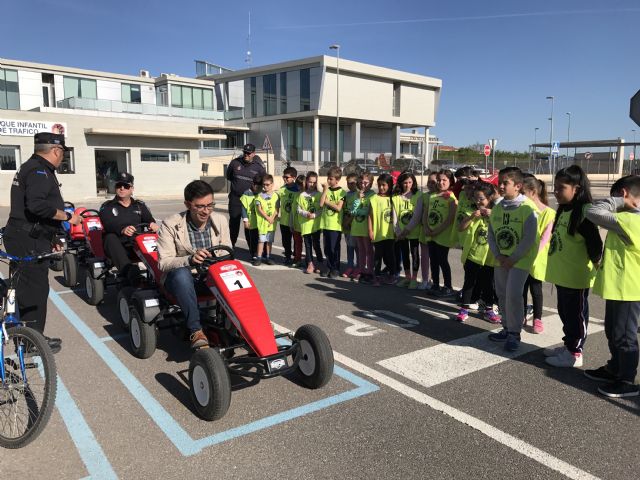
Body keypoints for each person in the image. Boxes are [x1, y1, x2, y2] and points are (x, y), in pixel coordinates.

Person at [3, 132, 82, 353]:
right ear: (56, 151)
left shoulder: (32, 167)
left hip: (30, 236)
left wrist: (53, 236)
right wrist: (68, 217)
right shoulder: (39, 171)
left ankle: (29, 336)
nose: (62, 158)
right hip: (27, 239)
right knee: (35, 290)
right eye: (62, 153)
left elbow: (36, 212)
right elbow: (36, 206)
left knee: (28, 288)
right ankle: (30, 342)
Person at [584, 175, 640, 398]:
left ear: (624, 194)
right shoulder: (628, 219)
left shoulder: (633, 220)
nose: (611, 202)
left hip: (629, 289)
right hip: (619, 287)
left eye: (614, 197)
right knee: (613, 331)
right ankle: (615, 368)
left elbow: (593, 211)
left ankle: (627, 380)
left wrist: (619, 202)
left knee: (625, 336)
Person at [157, 180, 231, 349]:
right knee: (182, 275)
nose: (206, 211)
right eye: (200, 206)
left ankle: (249, 321)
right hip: (179, 280)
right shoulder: (171, 224)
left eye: (210, 205)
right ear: (187, 204)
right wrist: (189, 259)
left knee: (238, 273)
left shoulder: (220, 220)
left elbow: (228, 252)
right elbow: (163, 263)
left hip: (210, 277)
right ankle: (196, 330)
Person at [544, 165, 602, 367]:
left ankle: (575, 353)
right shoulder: (564, 209)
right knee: (565, 313)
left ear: (576, 189)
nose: (556, 192)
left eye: (561, 188)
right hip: (562, 274)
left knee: (576, 315)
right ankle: (569, 344)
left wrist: (598, 266)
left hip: (576, 277)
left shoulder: (584, 212)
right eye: (555, 187)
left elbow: (595, 246)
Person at [487, 167, 538, 352]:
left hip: (520, 261)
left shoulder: (528, 208)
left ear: (518, 186)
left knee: (514, 295)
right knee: (501, 294)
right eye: (499, 182)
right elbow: (491, 234)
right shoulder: (498, 206)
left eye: (505, 183)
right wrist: (498, 255)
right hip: (500, 260)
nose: (500, 186)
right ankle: (506, 327)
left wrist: (513, 258)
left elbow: (529, 238)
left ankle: (515, 333)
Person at [99, 172, 159, 284]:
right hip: (119, 247)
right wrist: (122, 229)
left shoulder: (139, 205)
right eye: (119, 185)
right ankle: (130, 271)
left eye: (126, 186)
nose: (122, 188)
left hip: (137, 245)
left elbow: (149, 220)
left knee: (153, 236)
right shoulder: (107, 206)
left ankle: (162, 270)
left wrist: (152, 224)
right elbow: (108, 223)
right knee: (110, 237)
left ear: (132, 189)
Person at [456, 182, 501, 324]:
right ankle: (464, 309)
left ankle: (489, 309)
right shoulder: (471, 211)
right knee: (469, 283)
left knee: (488, 284)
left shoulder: (497, 211)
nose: (478, 201)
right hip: (473, 255)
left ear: (489, 198)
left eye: (481, 198)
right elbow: (461, 228)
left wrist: (493, 215)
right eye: (476, 198)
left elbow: (502, 227)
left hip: (489, 256)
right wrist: (470, 217)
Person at [521, 174, 555, 334]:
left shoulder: (549, 213)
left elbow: (544, 238)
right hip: (521, 255)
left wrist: (531, 254)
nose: (520, 197)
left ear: (533, 192)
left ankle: (538, 318)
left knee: (536, 290)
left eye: (523, 193)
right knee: (521, 288)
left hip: (537, 258)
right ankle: (521, 315)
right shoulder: (522, 209)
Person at [423, 169, 457, 296]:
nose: (441, 182)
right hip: (430, 234)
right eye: (439, 180)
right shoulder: (432, 195)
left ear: (450, 181)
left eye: (444, 180)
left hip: (442, 235)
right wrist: (426, 227)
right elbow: (426, 213)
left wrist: (437, 231)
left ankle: (448, 286)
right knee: (434, 260)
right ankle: (435, 284)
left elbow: (450, 218)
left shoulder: (451, 197)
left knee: (443, 260)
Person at [226, 143, 265, 250]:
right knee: (233, 223)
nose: (246, 155)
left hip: (250, 201)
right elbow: (229, 176)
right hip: (236, 199)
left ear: (253, 154)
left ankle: (252, 250)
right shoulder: (235, 163)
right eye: (244, 152)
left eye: (248, 153)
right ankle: (231, 246)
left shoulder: (259, 168)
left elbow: (262, 183)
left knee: (250, 225)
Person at [393, 171, 421, 288]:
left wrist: (407, 230)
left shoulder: (418, 196)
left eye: (410, 182)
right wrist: (398, 232)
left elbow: (417, 216)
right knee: (404, 254)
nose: (407, 185)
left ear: (413, 183)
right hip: (401, 234)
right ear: (401, 183)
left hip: (413, 231)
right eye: (405, 182)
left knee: (414, 254)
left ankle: (414, 278)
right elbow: (394, 216)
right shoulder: (396, 197)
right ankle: (407, 277)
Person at [369, 173, 396, 286]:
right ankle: (377, 276)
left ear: (390, 185)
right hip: (378, 233)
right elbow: (370, 216)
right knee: (378, 256)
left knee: (390, 255)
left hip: (390, 234)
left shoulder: (394, 199)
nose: (381, 187)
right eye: (379, 185)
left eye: (384, 185)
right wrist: (370, 230)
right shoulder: (374, 198)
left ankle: (392, 274)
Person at [319, 166, 345, 278]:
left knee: (335, 248)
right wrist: (325, 190)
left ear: (337, 180)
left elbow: (338, 208)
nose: (329, 181)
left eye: (331, 179)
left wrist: (328, 203)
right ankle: (329, 266)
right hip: (326, 223)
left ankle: (335, 268)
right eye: (328, 178)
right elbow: (321, 203)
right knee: (327, 247)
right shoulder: (327, 190)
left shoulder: (342, 192)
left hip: (335, 225)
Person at [350, 172, 376, 284]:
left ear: (370, 183)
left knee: (368, 250)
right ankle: (361, 270)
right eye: (361, 183)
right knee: (360, 250)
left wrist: (357, 211)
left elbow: (367, 212)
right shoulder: (357, 194)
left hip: (366, 227)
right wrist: (357, 198)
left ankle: (369, 271)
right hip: (357, 226)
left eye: (365, 183)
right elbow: (352, 211)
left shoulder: (373, 195)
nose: (363, 185)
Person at [296, 171, 324, 274]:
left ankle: (320, 262)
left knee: (316, 244)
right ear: (306, 182)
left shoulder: (319, 194)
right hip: (305, 224)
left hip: (315, 225)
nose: (311, 184)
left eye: (314, 182)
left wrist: (314, 215)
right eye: (310, 182)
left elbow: (321, 209)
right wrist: (305, 213)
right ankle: (310, 263)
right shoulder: (301, 195)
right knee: (307, 245)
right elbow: (298, 209)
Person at [254, 174, 279, 266]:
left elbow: (277, 209)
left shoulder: (276, 196)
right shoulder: (259, 196)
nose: (265, 186)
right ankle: (259, 257)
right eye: (264, 184)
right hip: (263, 223)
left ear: (272, 184)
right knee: (261, 241)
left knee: (269, 241)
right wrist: (267, 218)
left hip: (271, 223)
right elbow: (259, 209)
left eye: (267, 184)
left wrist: (272, 218)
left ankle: (268, 256)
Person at [278, 166, 298, 264]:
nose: (285, 179)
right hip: (284, 221)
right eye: (284, 177)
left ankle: (296, 257)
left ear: (294, 177)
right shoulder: (281, 190)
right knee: (286, 241)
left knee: (296, 240)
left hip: (295, 221)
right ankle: (287, 256)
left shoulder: (298, 190)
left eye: (287, 177)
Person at [341, 172, 360, 278]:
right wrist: (344, 223)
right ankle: (350, 266)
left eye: (352, 183)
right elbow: (344, 209)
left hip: (355, 225)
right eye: (348, 183)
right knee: (349, 247)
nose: (350, 185)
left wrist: (348, 221)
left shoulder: (358, 195)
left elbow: (355, 210)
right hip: (347, 226)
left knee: (357, 247)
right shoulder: (346, 194)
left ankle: (359, 267)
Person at [240, 175, 263, 262]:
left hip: (260, 222)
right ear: (253, 184)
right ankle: (253, 253)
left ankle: (260, 252)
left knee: (260, 238)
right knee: (251, 238)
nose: (259, 188)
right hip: (250, 221)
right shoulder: (246, 194)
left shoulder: (261, 193)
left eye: (261, 186)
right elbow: (243, 208)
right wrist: (245, 220)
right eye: (257, 186)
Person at [290, 174, 306, 267]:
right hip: (297, 224)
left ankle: (310, 261)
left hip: (307, 224)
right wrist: (291, 223)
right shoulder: (296, 195)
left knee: (309, 244)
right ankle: (297, 259)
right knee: (297, 243)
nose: (300, 187)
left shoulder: (309, 195)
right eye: (298, 185)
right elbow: (293, 211)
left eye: (302, 184)